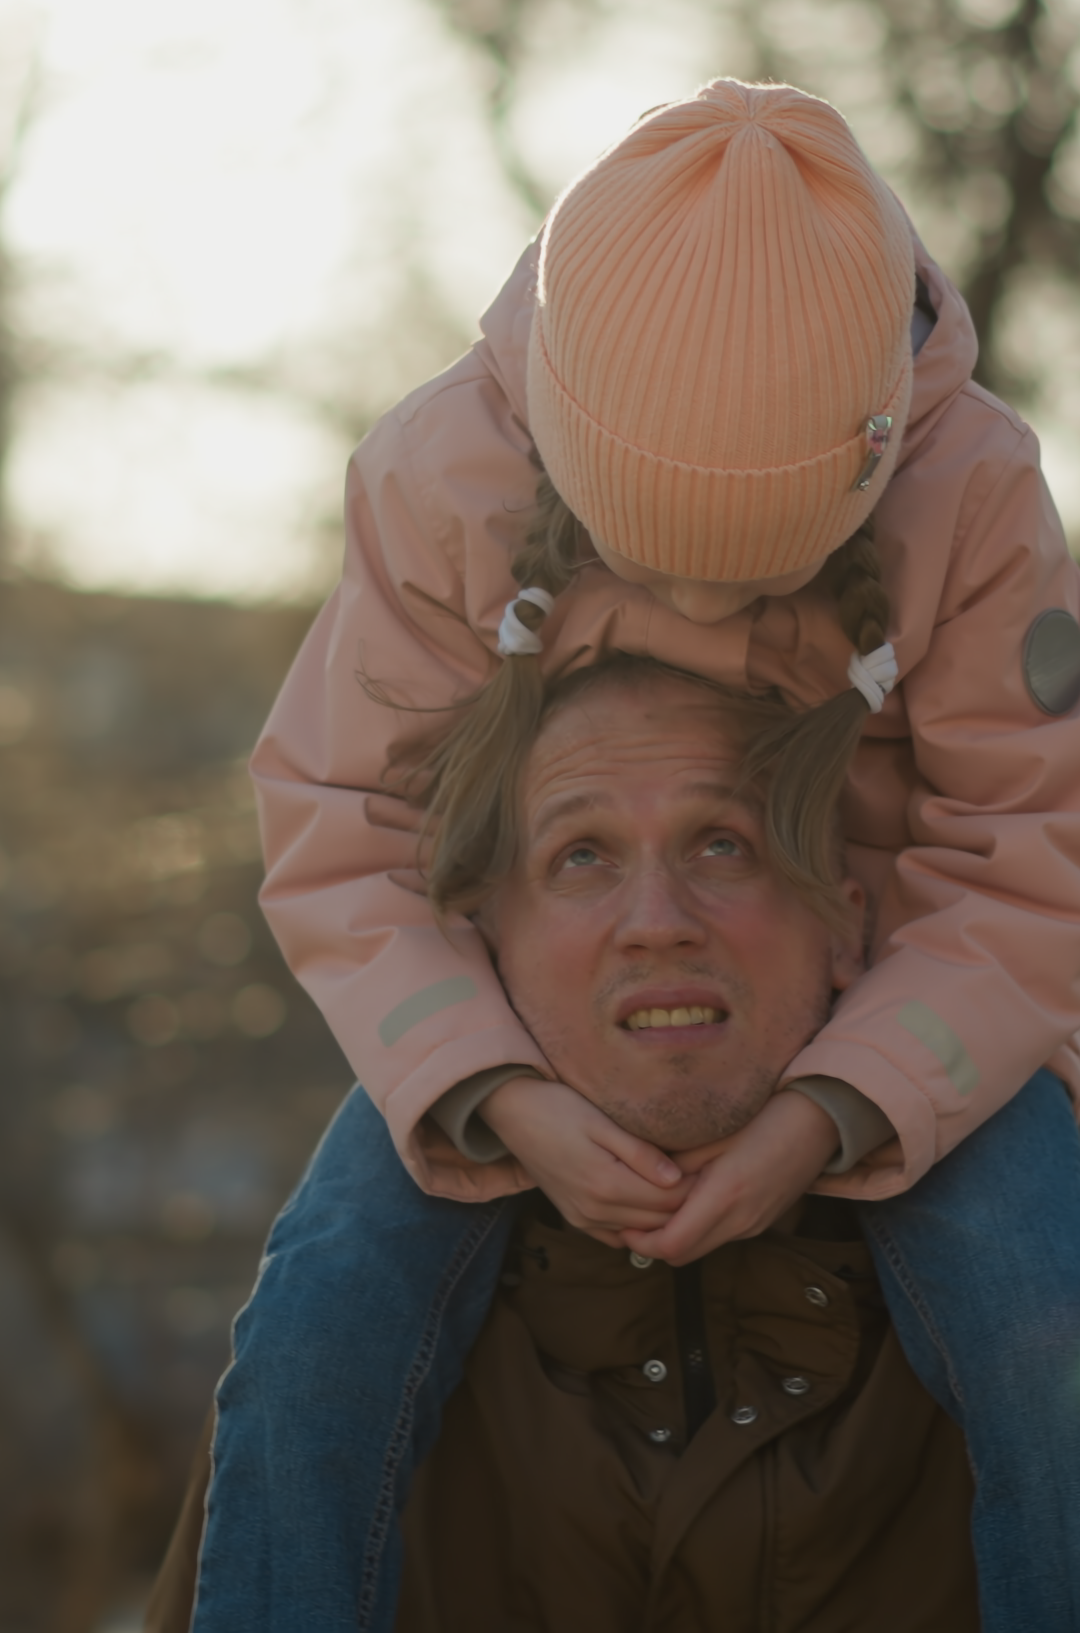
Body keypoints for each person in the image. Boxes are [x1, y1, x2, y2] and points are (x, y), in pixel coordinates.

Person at [192, 81, 1080, 1633]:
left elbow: (1030, 851)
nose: (708, 611)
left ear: (871, 467)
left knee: (1047, 1323)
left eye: (761, 572)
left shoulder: (978, 493)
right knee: (315, 1326)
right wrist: (495, 1090)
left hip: (915, 1006)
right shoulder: (439, 479)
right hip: (522, 1021)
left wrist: (837, 1106)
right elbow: (347, 825)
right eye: (654, 558)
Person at [150, 655, 980, 1629]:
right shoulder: (330, 1364)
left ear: (845, 928)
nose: (657, 924)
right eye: (581, 856)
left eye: (722, 845)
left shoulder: (1030, 1326)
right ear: (483, 947)